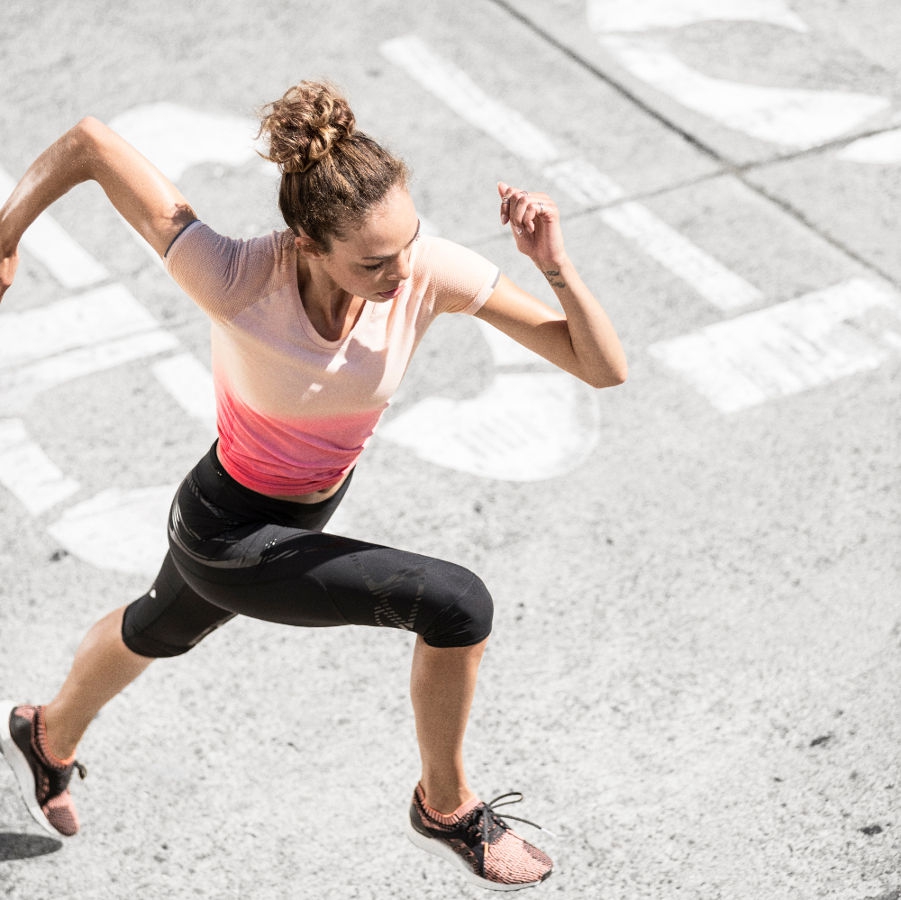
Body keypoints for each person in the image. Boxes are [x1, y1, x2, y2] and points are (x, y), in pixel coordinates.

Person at [0, 81, 626, 891]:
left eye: (408, 244)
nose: (401, 272)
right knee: (456, 605)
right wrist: (6, 235)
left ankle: (45, 733)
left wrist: (555, 266)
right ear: (306, 243)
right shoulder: (234, 276)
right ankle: (445, 806)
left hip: (292, 513)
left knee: (156, 629)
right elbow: (91, 142)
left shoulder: (424, 271)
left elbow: (599, 368)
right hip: (227, 532)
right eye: (373, 262)